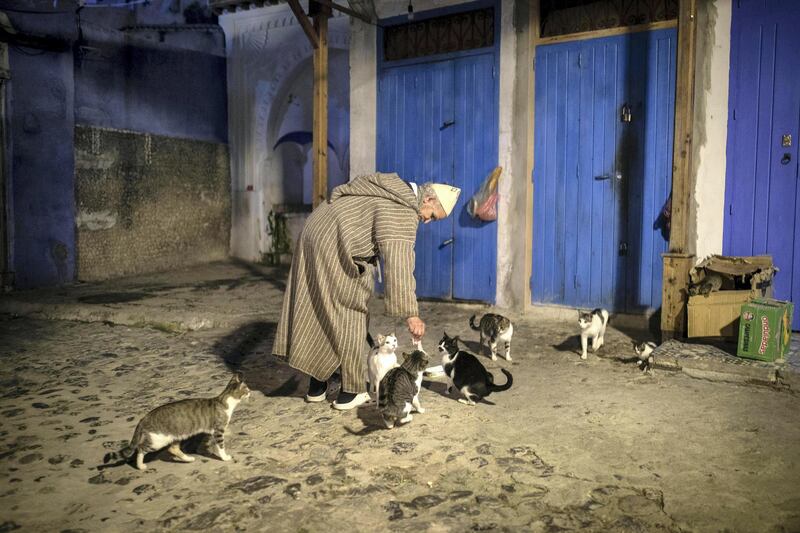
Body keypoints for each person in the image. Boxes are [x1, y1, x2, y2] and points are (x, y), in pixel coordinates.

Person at [272, 172, 460, 410]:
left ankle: (317, 386)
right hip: (332, 244)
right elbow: (399, 265)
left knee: (321, 308)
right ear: (428, 200)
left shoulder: (393, 190)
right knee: (352, 311)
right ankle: (350, 392)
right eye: (433, 216)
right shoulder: (402, 211)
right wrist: (411, 313)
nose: (427, 221)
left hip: (314, 231)